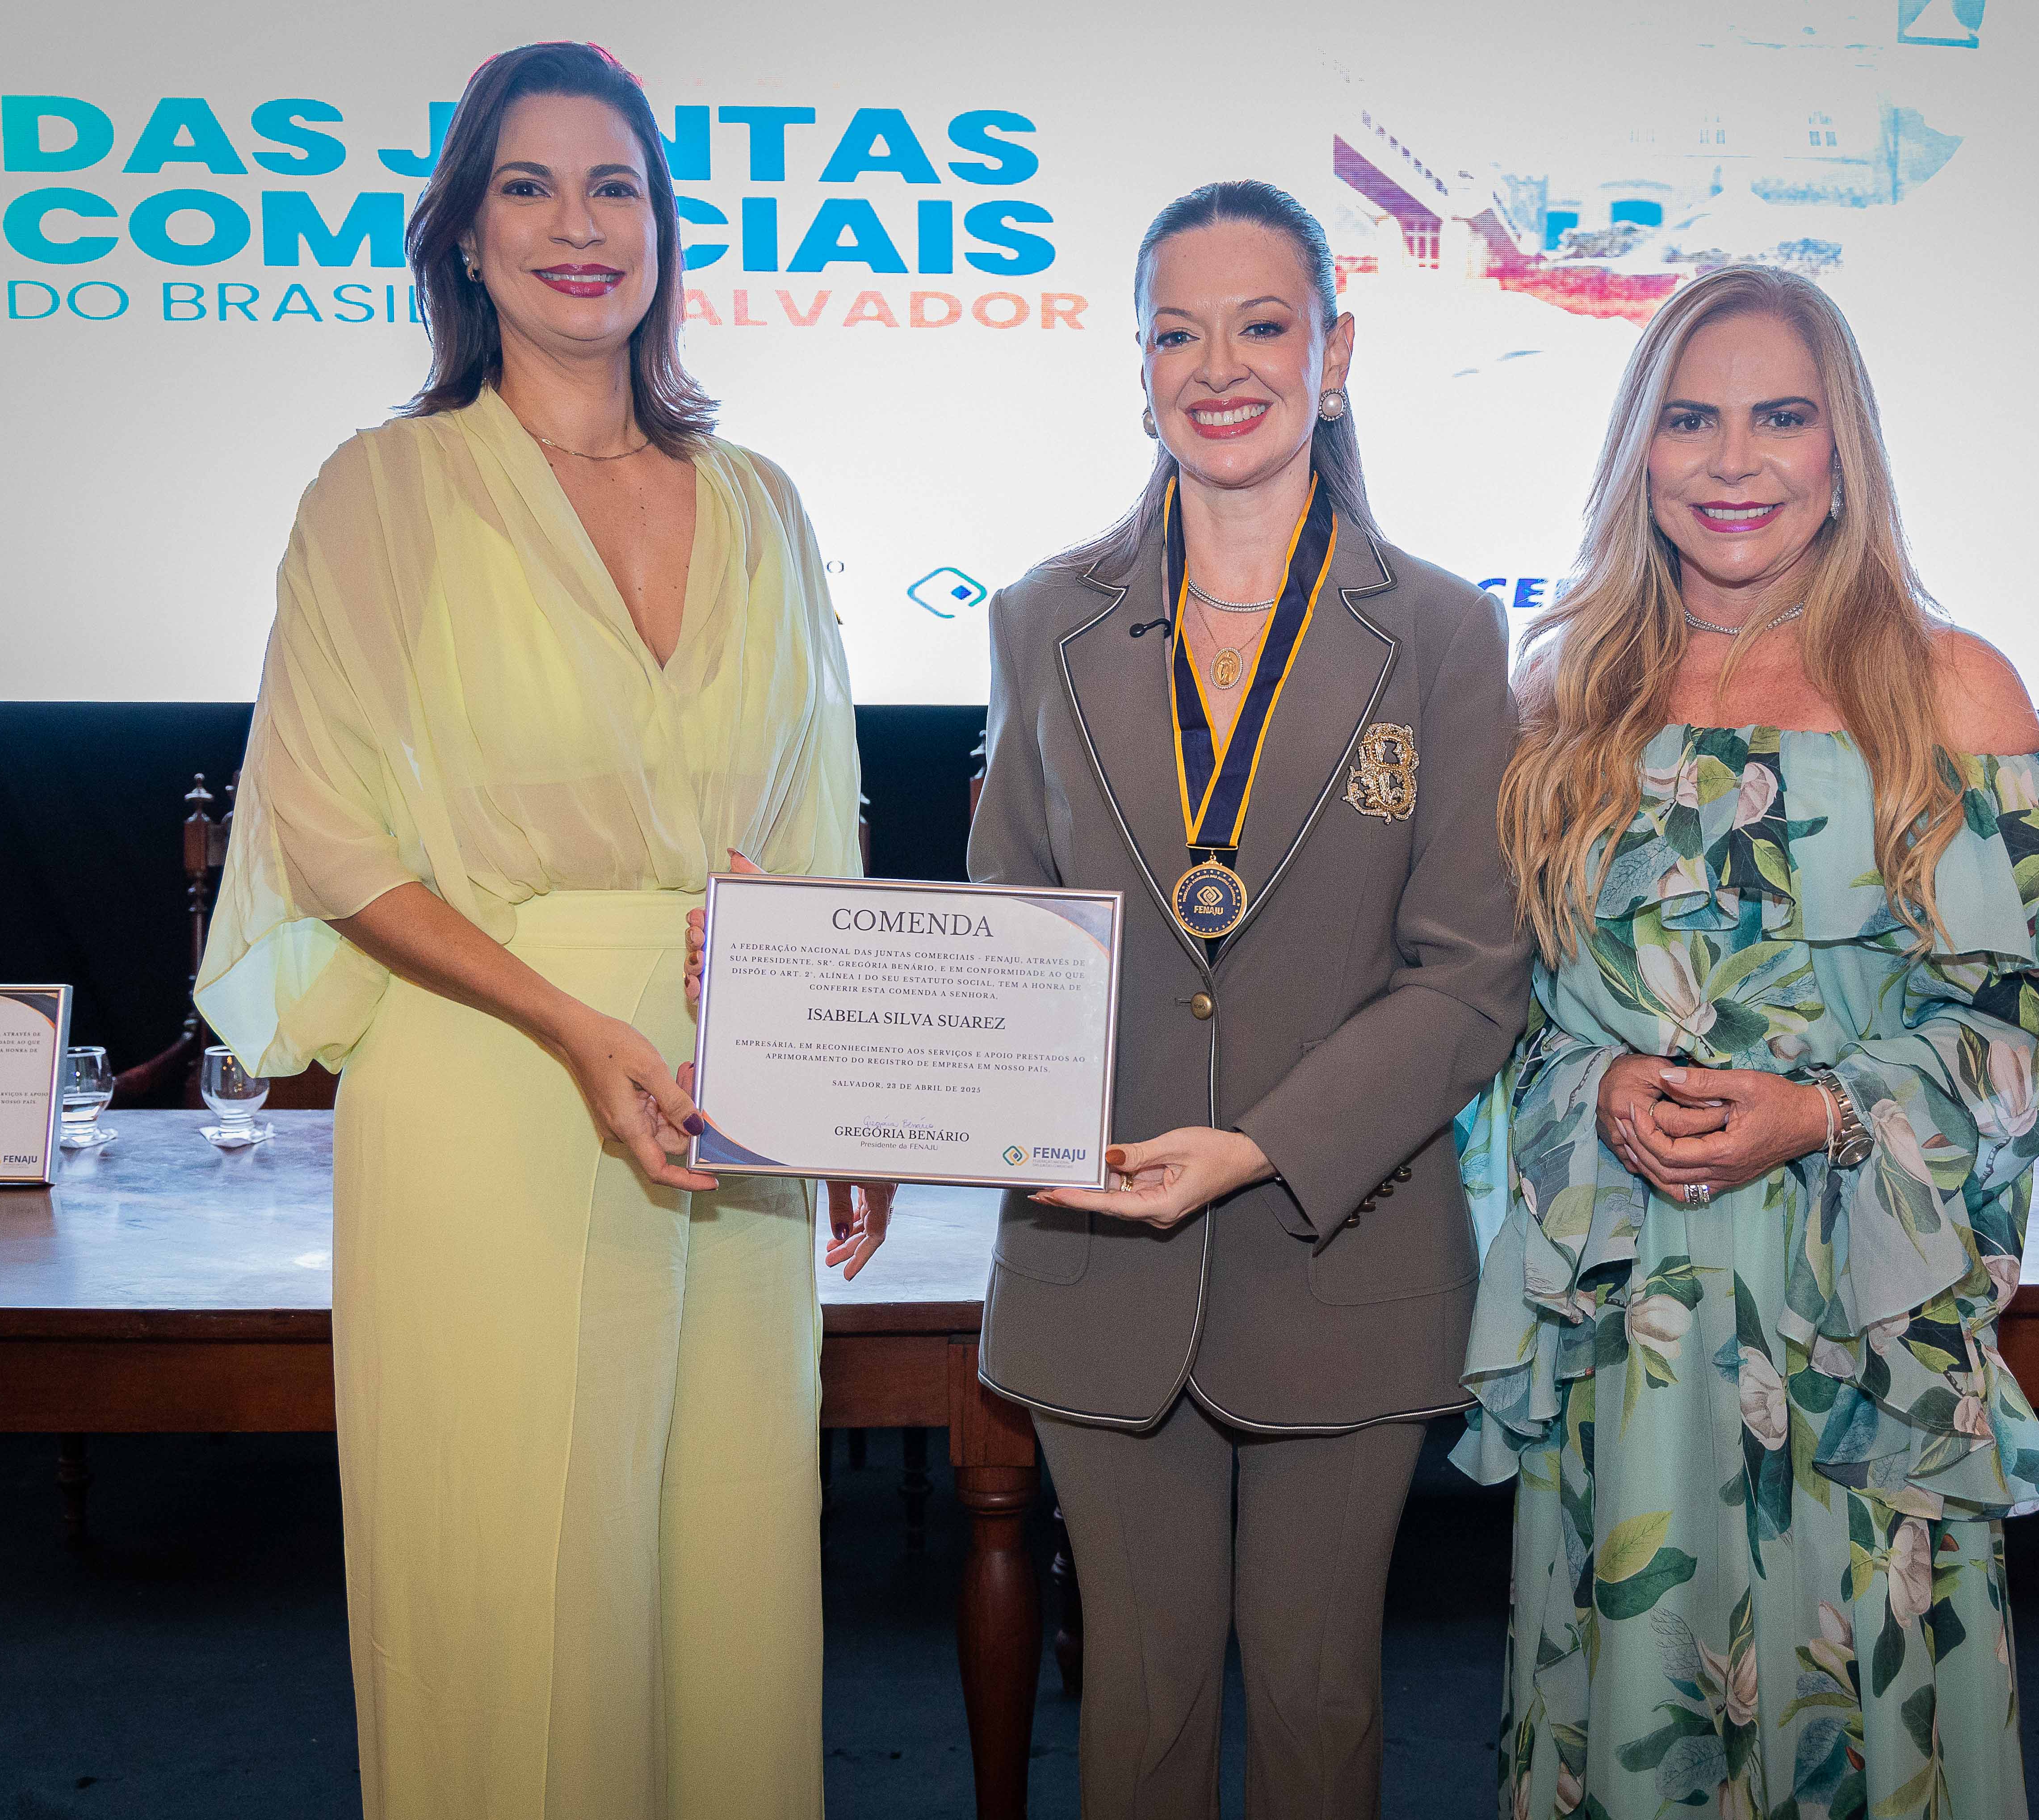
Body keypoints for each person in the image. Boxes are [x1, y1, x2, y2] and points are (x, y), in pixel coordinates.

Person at [194, 42, 886, 1820]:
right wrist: (575, 1027)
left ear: (665, 229)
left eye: (616, 188)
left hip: (731, 1106)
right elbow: (331, 838)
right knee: (516, 1600)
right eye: (530, 186)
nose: (578, 225)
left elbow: (810, 833)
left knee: (725, 1592)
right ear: (467, 238)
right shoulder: (383, 492)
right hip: (491, 1070)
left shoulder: (763, 506)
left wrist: (852, 1096)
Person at [1458, 264, 2039, 1819]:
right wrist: (1598, 1081)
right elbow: (1490, 1031)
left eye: (1782, 417)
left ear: (1846, 448)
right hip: (1626, 1334)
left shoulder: (1953, 690)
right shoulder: (1560, 695)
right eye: (1691, 419)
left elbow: (2031, 1039)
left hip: (1858, 1325)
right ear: (1640, 450)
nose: (1733, 461)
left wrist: (1820, 1110)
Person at [970, 181, 1534, 1818]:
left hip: (1340, 1245)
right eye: (1176, 331)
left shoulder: (1437, 632)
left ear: (1334, 353)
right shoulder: (1040, 621)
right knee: (1137, 1708)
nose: (1220, 366)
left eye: (1263, 325)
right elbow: (1009, 927)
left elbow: (1473, 974)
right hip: (1093, 1245)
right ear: (1138, 365)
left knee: (1315, 1700)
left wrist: (1262, 1146)